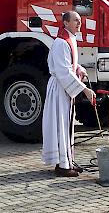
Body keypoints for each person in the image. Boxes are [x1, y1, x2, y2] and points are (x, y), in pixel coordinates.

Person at [41, 11, 96, 177]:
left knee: (66, 126)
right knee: (61, 126)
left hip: (64, 89)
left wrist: (80, 69)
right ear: (65, 23)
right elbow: (63, 71)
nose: (79, 24)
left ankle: (68, 161)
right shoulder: (60, 42)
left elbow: (70, 64)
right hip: (59, 89)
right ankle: (62, 165)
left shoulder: (70, 39)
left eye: (80, 21)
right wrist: (84, 89)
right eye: (75, 21)